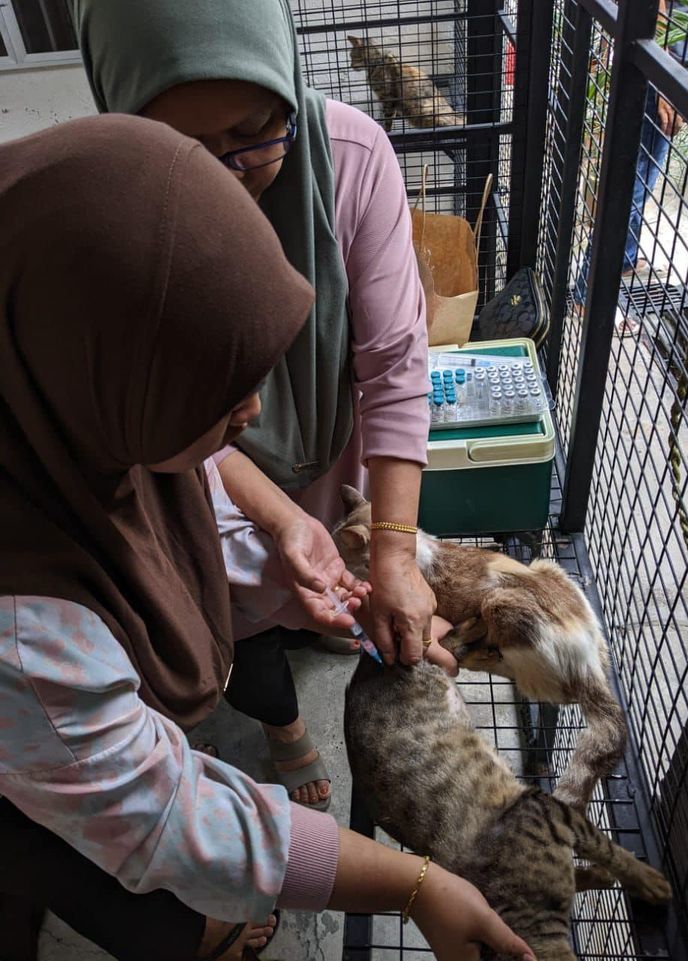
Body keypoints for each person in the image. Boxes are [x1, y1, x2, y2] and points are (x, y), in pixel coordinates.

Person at [0, 114, 535, 961]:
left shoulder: (48, 392)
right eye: (217, 391)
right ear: (108, 381)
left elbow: (186, 467)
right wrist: (418, 884)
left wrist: (289, 526)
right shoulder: (29, 636)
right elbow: (179, 819)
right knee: (101, 878)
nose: (249, 414)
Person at [72, 0, 440, 810]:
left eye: (254, 135)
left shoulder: (349, 157)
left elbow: (393, 364)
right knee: (241, 632)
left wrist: (392, 553)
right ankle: (281, 726)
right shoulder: (104, 201)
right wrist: (275, 517)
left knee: (325, 595)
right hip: (200, 475)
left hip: (323, 452)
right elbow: (161, 428)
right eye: (181, 149)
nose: (222, 178)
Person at [573, 0, 688, 333]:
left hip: (667, 66)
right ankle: (588, 295)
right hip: (657, 69)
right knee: (630, 189)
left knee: (642, 181)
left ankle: (623, 258)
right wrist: (667, 79)